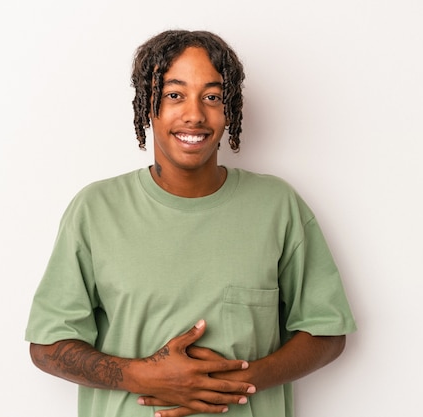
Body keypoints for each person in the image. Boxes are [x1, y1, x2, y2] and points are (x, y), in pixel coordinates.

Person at [25, 29, 356, 417]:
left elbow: (327, 331)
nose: (195, 114)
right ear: (148, 105)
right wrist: (140, 376)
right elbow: (48, 347)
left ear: (229, 108)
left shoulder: (276, 205)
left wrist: (236, 381)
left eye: (212, 97)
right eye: (174, 94)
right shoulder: (96, 208)